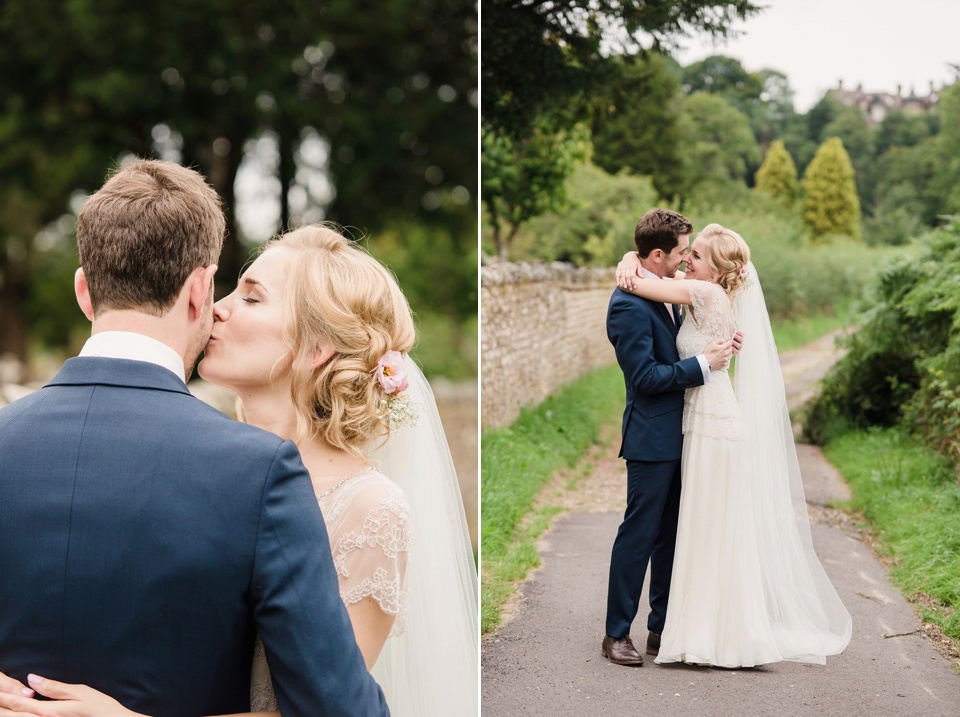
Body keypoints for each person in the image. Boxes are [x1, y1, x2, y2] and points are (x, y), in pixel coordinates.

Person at [0, 224, 479, 715]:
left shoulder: (369, 509)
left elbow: (327, 705)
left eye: (252, 299)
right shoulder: (210, 466)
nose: (216, 308)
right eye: (228, 291)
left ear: (317, 348)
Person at [615, 222, 852, 667]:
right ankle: (677, 628)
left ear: (719, 270)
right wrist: (631, 258)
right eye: (685, 252)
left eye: (696, 255)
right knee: (696, 526)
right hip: (693, 418)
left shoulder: (705, 294)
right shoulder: (700, 290)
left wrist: (630, 265)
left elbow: (649, 281)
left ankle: (710, 631)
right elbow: (653, 275)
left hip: (710, 422)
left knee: (708, 526)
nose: (687, 260)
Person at [602, 209, 737, 666]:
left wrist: (715, 347)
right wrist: (702, 366)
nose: (685, 261)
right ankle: (616, 633)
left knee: (673, 538)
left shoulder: (670, 293)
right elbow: (643, 377)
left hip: (691, 432)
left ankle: (661, 629)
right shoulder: (626, 305)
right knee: (638, 535)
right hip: (652, 438)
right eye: (681, 253)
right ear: (657, 255)